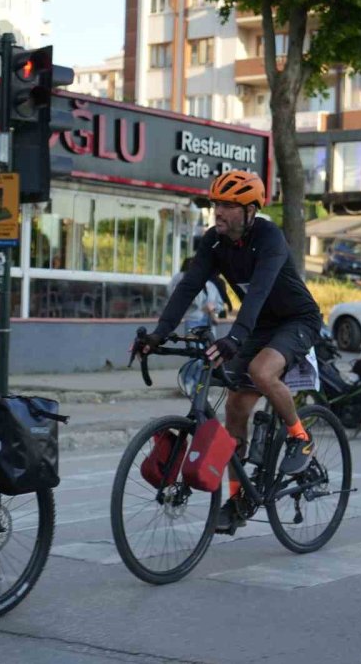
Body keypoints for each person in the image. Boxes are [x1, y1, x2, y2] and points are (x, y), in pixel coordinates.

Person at [135, 170, 324, 532]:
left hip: (297, 320)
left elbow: (257, 293)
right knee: (236, 406)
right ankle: (239, 499)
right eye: (215, 204)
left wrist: (235, 337)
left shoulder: (269, 237)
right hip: (258, 326)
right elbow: (189, 286)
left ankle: (301, 437)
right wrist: (159, 334)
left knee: (262, 371)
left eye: (227, 206)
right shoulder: (214, 243)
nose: (218, 212)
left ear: (250, 210)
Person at [169, 256, 223, 333]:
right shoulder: (181, 280)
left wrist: (213, 308)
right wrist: (202, 307)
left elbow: (219, 303)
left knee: (210, 344)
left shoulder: (210, 285)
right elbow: (176, 298)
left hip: (209, 323)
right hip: (192, 320)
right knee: (193, 343)